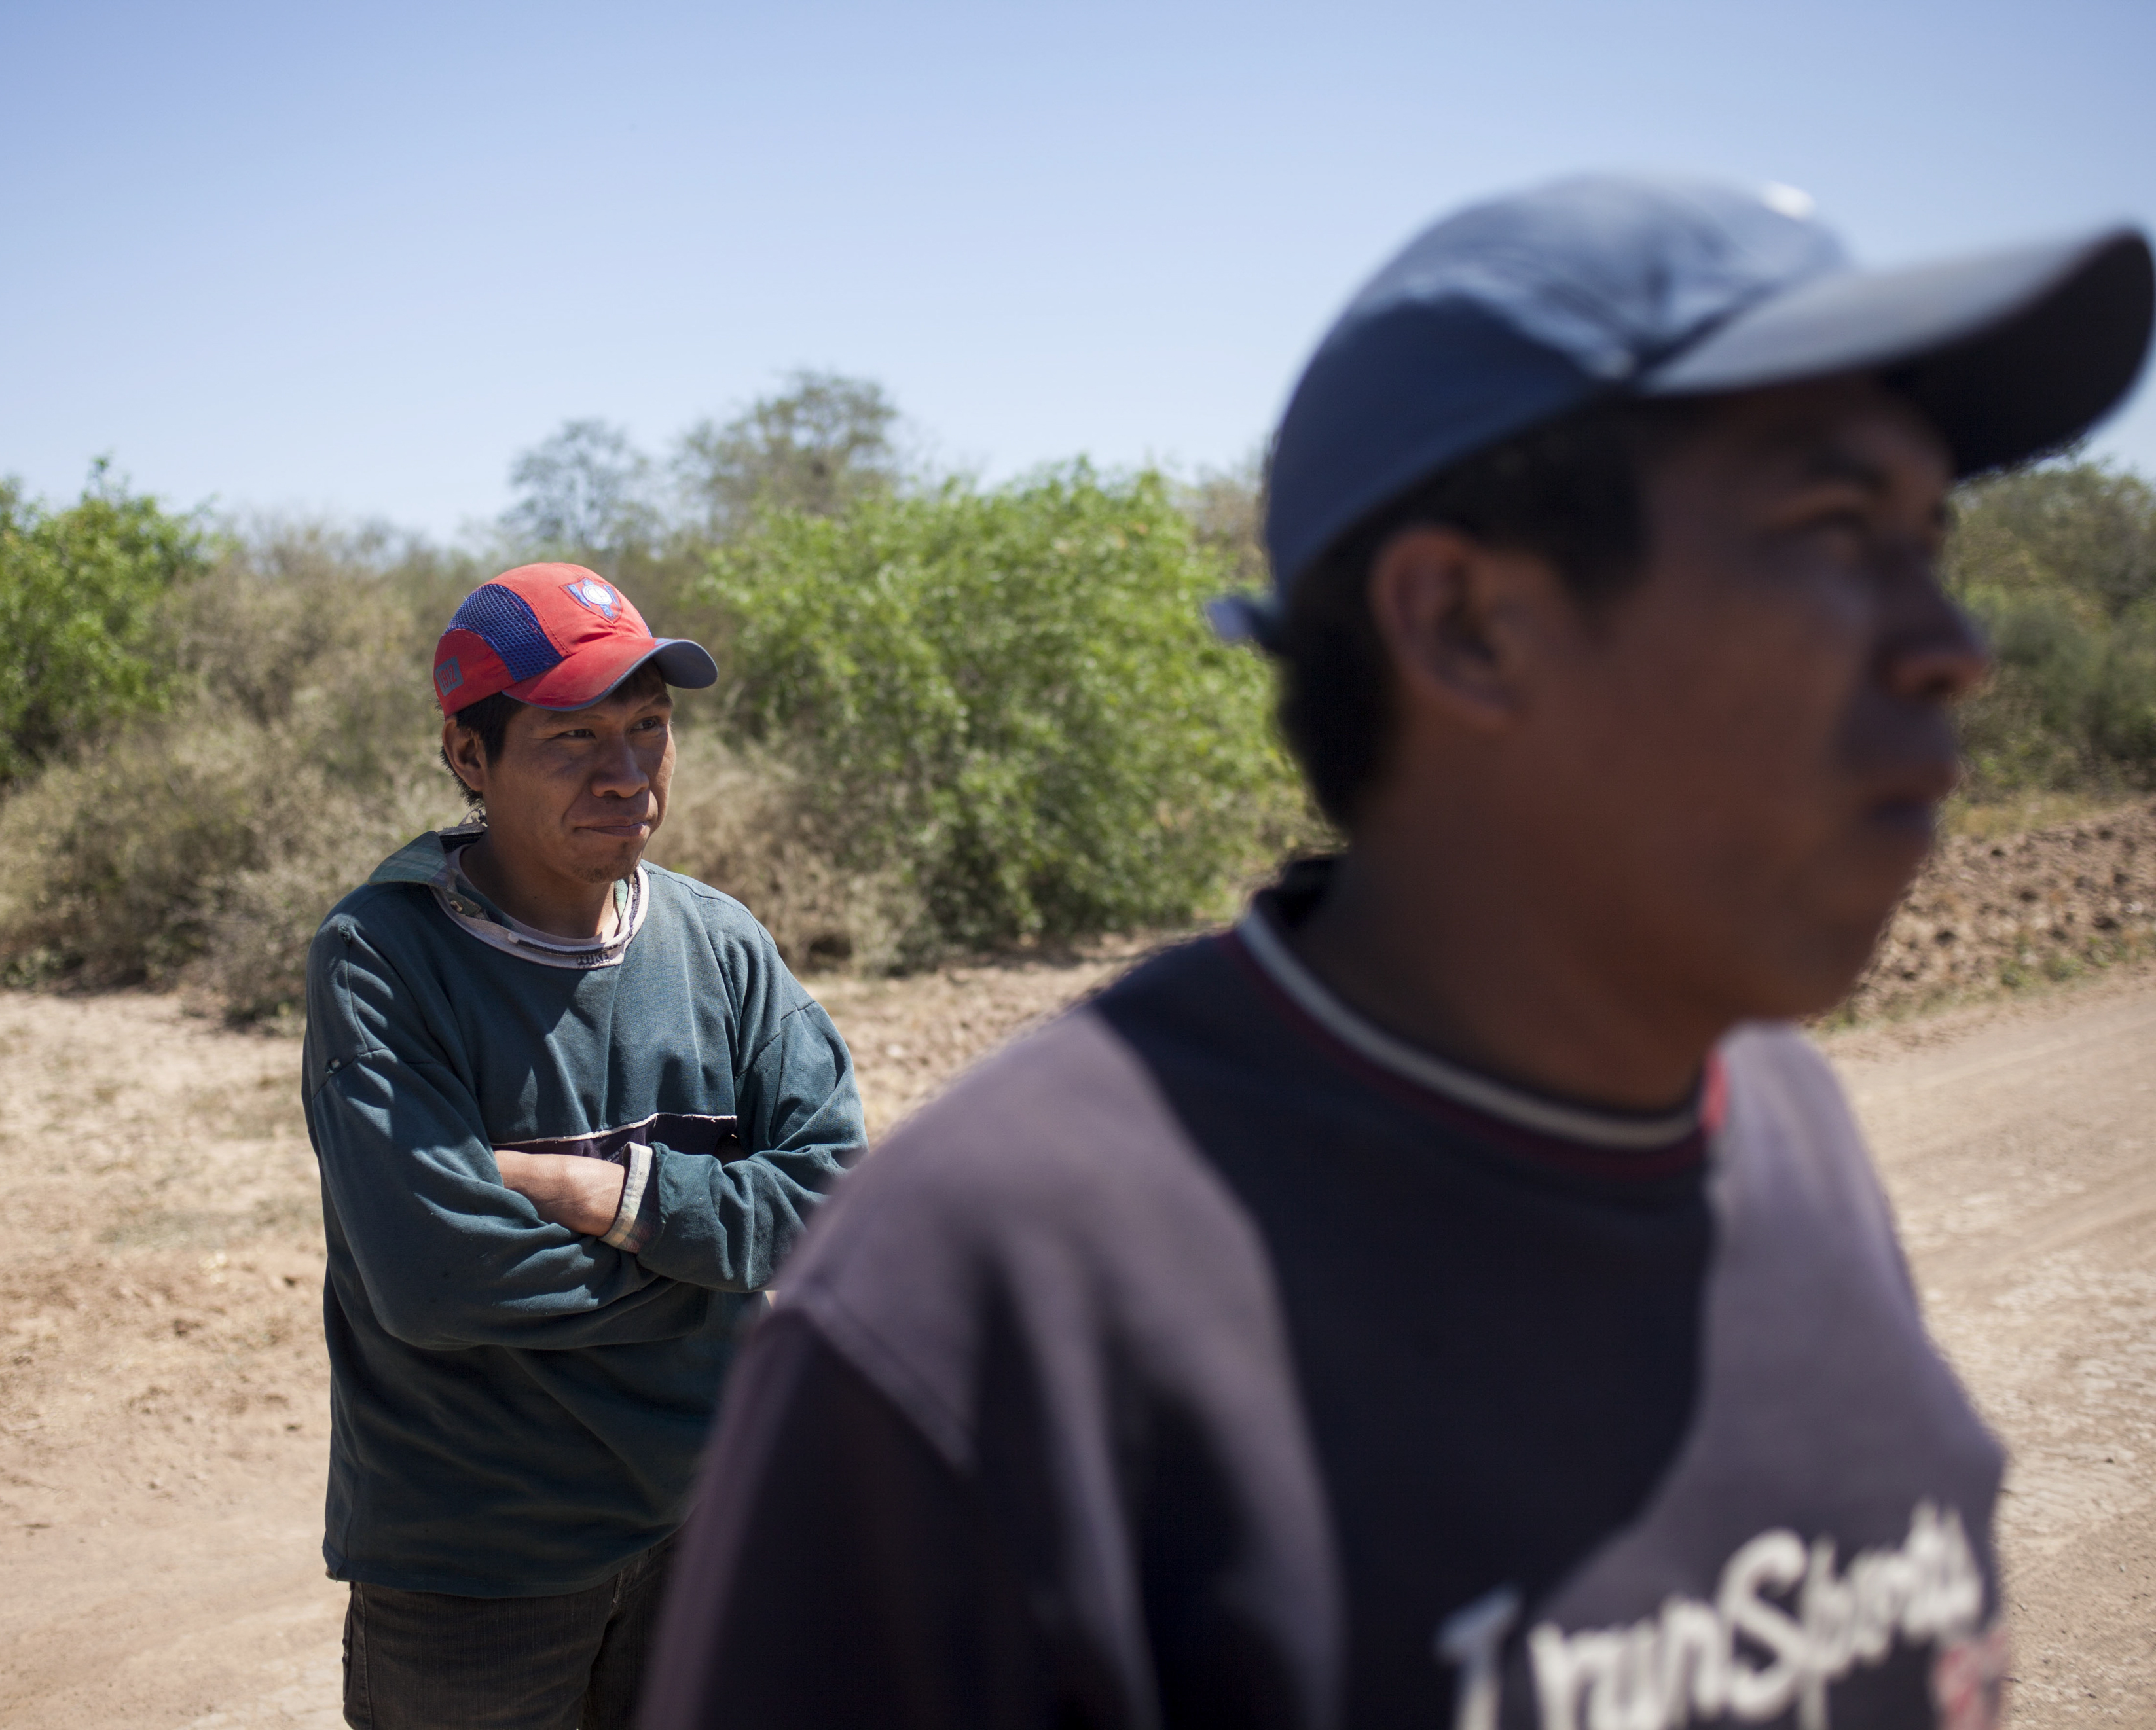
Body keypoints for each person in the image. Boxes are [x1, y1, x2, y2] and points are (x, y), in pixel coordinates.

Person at [643, 179, 2155, 1730]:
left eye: (1928, 537)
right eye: (1836, 529)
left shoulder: (1784, 1124)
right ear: (1465, 622)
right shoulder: (998, 1297)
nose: (1953, 642)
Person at [302, 562, 866, 1730]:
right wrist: (720, 1279)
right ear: (470, 758)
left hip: (705, 1530)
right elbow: (434, 1277)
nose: (628, 775)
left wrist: (609, 1195)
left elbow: (840, 1206)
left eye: (650, 728)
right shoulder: (382, 955)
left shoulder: (719, 944)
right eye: (572, 739)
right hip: (475, 1564)